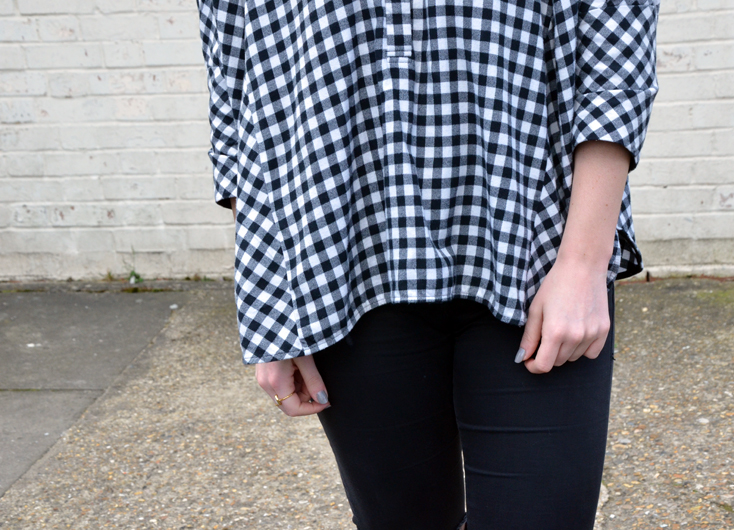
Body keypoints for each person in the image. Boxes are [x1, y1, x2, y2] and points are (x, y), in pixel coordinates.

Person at [197, 0, 660, 527]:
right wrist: (273, 302)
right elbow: (235, 99)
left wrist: (583, 263)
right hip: (344, 263)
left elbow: (616, 56)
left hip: (533, 253)